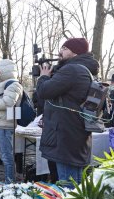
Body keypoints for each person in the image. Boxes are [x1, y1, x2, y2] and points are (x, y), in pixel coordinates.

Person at [36, 37, 99, 186]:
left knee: (68, 185)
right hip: (73, 132)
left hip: (65, 135)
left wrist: (43, 77)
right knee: (75, 181)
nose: (60, 52)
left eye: (65, 49)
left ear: (75, 52)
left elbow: (44, 91)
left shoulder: (72, 70)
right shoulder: (82, 69)